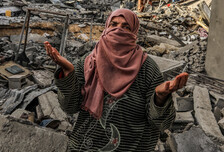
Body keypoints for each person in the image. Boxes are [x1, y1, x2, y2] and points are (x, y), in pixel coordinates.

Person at [44, 8, 188, 152]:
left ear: (134, 33)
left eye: (126, 27)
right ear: (106, 27)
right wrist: (68, 73)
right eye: (114, 25)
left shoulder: (147, 69)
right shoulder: (88, 62)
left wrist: (160, 97)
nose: (118, 30)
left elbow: (162, 123)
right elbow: (69, 107)